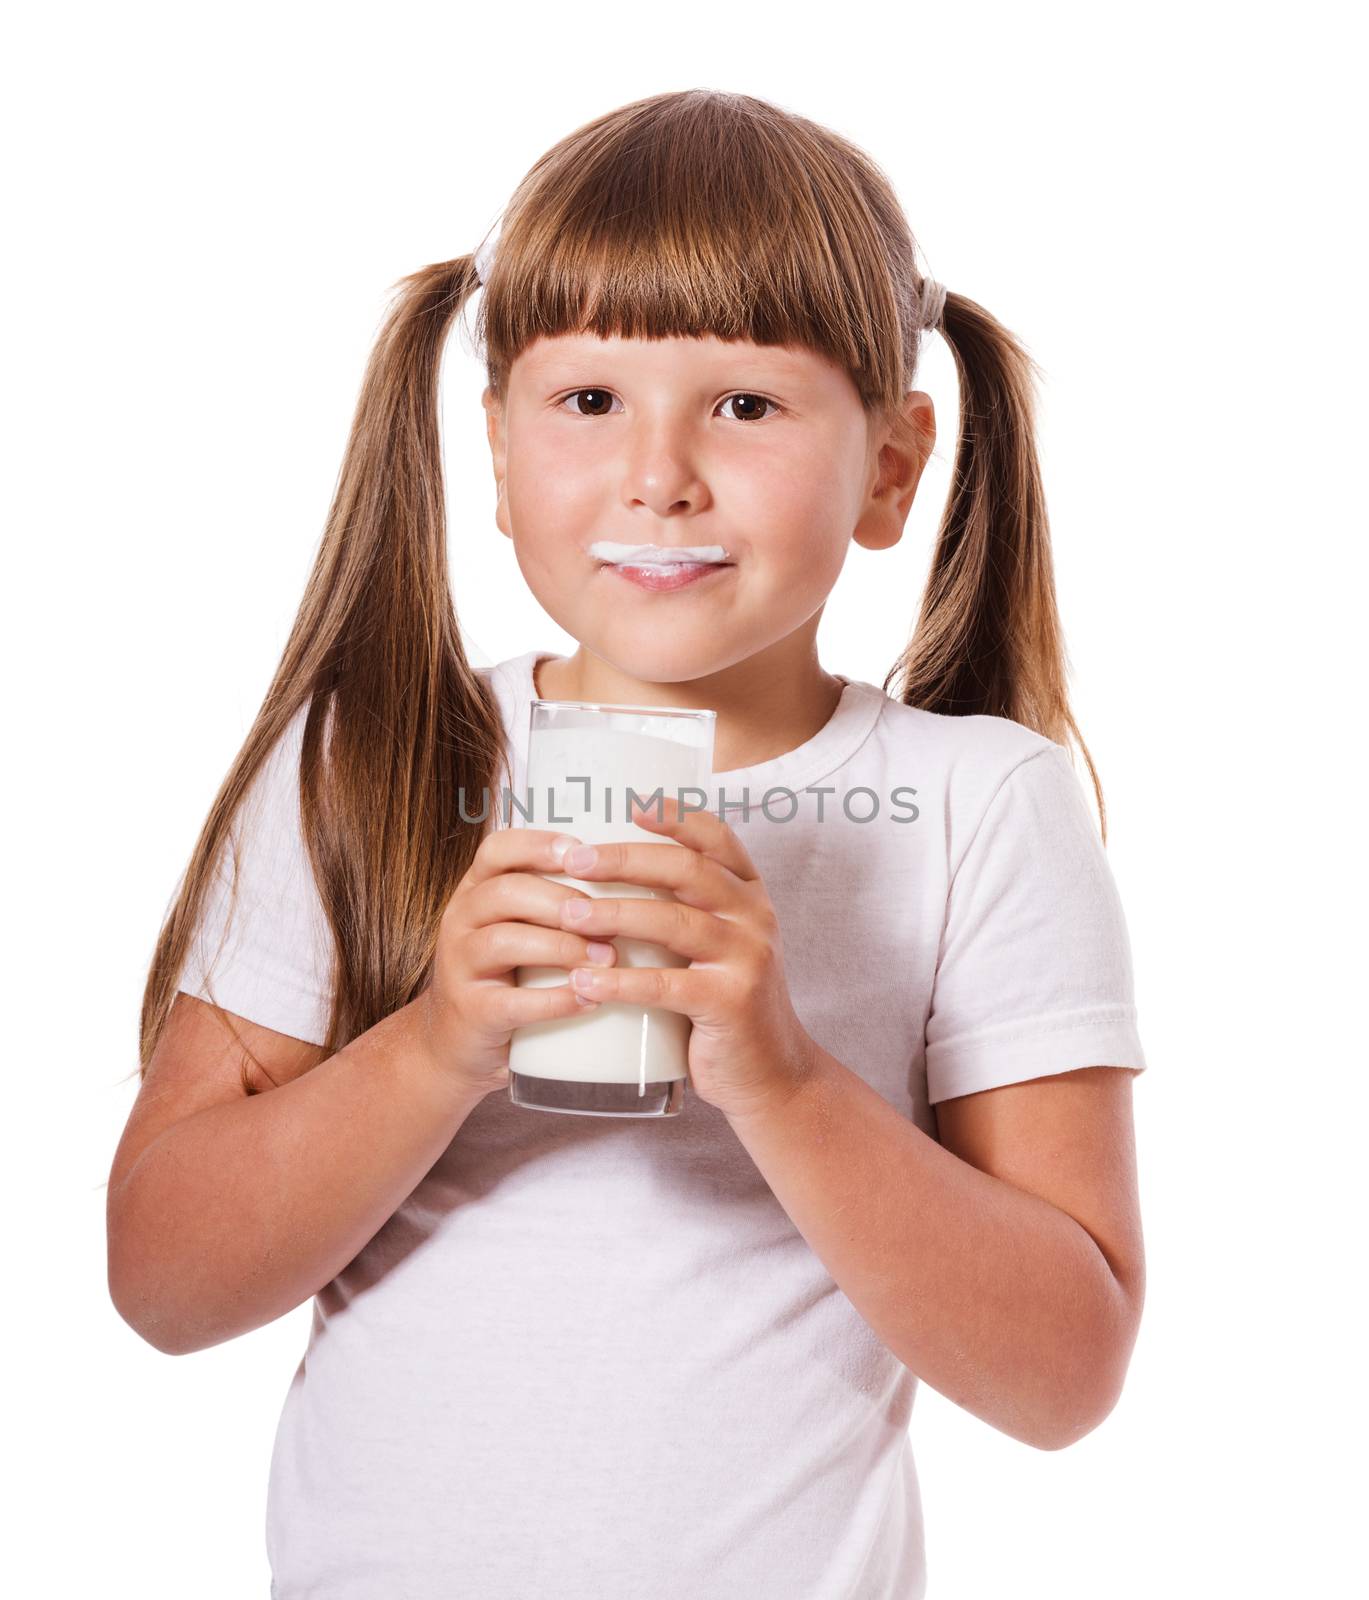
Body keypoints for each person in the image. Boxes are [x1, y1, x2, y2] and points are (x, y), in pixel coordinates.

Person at [107, 88, 1148, 1600]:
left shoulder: (974, 803)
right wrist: (438, 1043)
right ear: (498, 446)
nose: (657, 472)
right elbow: (164, 1282)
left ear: (888, 464)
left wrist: (780, 1075)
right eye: (589, 400)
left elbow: (1062, 1375)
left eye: (744, 403)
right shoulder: (378, 762)